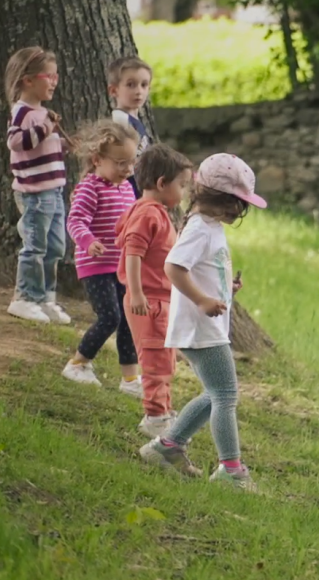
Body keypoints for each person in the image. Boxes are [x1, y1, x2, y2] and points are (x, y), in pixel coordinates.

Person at [139, 153, 267, 492]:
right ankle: (231, 470)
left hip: (203, 327)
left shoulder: (207, 226)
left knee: (216, 393)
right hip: (200, 328)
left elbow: (201, 271)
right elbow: (173, 267)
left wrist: (226, 290)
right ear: (217, 199)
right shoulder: (199, 228)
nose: (240, 212)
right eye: (237, 204)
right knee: (226, 395)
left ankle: (167, 449)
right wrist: (202, 300)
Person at [116, 144, 194, 437]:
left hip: (161, 302)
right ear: (162, 183)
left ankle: (164, 410)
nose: (184, 192)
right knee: (155, 362)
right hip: (149, 302)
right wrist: (136, 293)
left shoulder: (155, 212)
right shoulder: (148, 214)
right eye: (182, 185)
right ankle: (155, 418)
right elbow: (133, 254)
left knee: (165, 358)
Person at [62, 120, 141, 389]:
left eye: (131, 162)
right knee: (110, 317)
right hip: (95, 265)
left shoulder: (128, 188)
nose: (128, 169)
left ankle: (130, 378)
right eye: (120, 163)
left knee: (129, 317)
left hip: (120, 265)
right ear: (97, 160)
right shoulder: (90, 187)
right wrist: (88, 241)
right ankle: (78, 364)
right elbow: (75, 220)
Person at [3, 46, 71, 325]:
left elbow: (42, 148)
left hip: (53, 191)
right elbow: (15, 141)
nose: (54, 81)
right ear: (28, 80)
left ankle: (46, 298)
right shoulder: (23, 112)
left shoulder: (42, 112)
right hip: (34, 194)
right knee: (35, 246)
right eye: (49, 76)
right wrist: (46, 129)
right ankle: (24, 298)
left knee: (55, 247)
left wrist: (64, 143)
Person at [108, 56, 154, 200]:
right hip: (127, 186)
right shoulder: (120, 120)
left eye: (144, 85)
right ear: (114, 90)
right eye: (131, 85)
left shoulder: (136, 121)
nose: (138, 91)